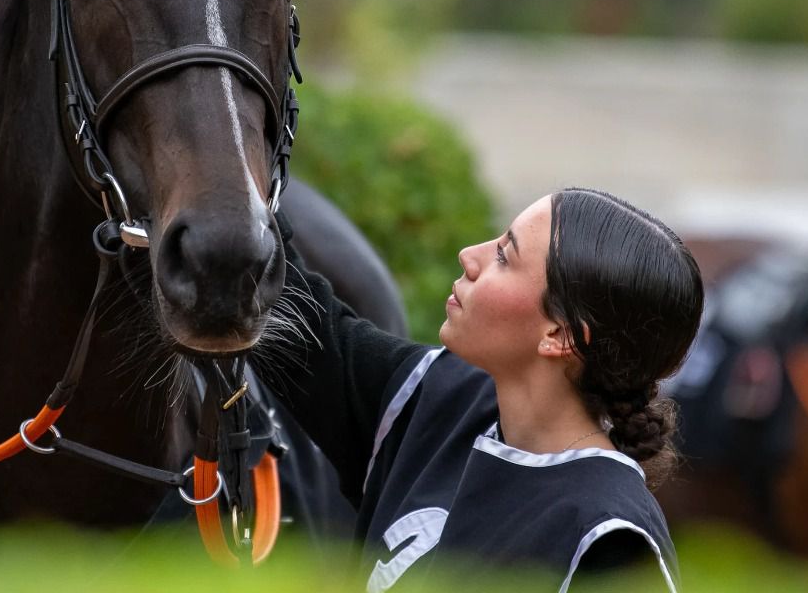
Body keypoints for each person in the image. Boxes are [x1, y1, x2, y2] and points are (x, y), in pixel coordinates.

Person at [267, 187, 704, 592]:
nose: (468, 257)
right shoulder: (440, 398)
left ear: (560, 336)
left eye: (503, 256)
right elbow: (292, 310)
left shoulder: (609, 538)